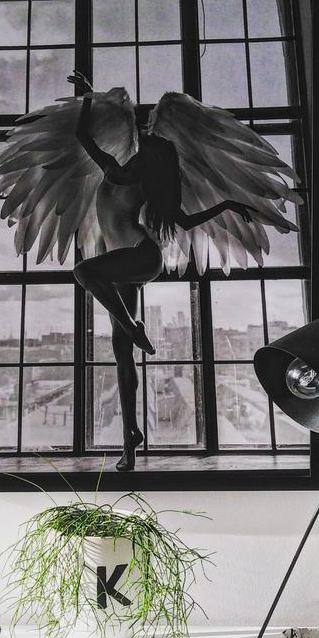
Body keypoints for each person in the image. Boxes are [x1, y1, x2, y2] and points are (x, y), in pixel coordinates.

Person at [68, 72, 255, 472]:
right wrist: (86, 97)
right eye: (140, 151)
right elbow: (83, 136)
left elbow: (183, 222)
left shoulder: (140, 184)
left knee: (83, 272)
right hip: (122, 265)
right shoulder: (112, 169)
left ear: (149, 163)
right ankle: (130, 440)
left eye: (145, 154)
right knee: (121, 353)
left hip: (141, 257)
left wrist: (225, 205)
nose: (138, 154)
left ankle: (135, 328)